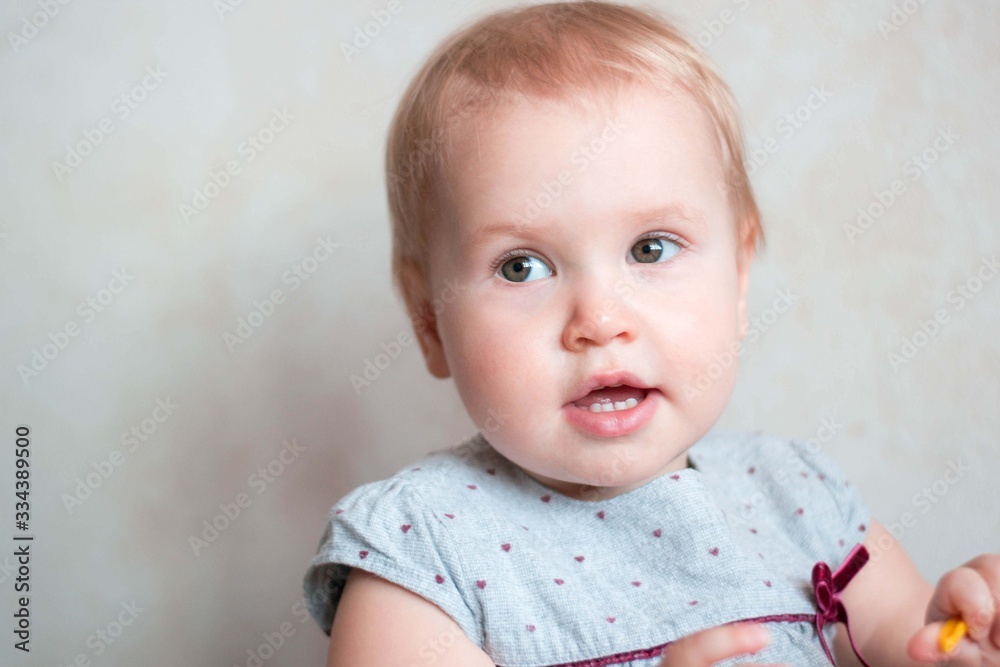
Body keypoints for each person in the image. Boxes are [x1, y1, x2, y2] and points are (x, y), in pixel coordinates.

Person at [304, 2, 1000, 665]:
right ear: (430, 320)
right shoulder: (423, 550)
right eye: (522, 266)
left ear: (738, 280)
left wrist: (959, 639)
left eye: (650, 249)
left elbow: (911, 639)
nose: (601, 321)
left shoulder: (798, 497)